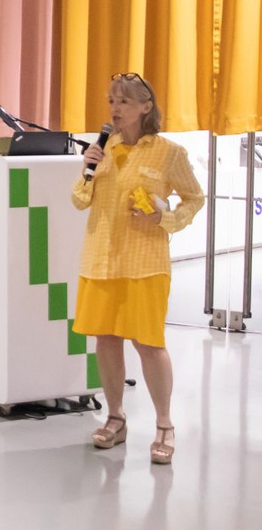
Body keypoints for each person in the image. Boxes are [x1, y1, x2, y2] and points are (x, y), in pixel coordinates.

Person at [73, 72, 204, 464]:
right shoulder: (102, 149)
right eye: (112, 101)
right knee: (106, 339)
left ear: (146, 107)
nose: (115, 109)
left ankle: (164, 424)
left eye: (124, 101)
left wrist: (165, 219)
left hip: (145, 263)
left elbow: (194, 198)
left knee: (148, 343)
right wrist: (86, 168)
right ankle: (115, 418)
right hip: (100, 260)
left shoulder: (169, 153)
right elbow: (79, 200)